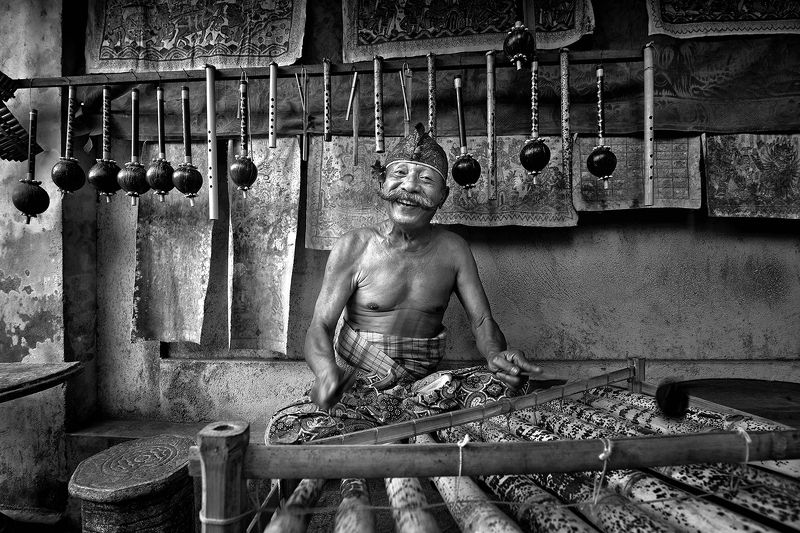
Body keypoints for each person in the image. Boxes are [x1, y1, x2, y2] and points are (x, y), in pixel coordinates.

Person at [267, 124, 541, 444]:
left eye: (425, 180)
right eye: (399, 174)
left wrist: (496, 354)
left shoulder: (454, 250)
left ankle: (401, 428)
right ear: (383, 183)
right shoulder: (354, 247)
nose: (409, 186)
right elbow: (320, 326)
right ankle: (418, 430)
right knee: (286, 428)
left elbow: (481, 321)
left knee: (513, 388)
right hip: (361, 388)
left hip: (427, 389)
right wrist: (326, 371)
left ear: (443, 196)